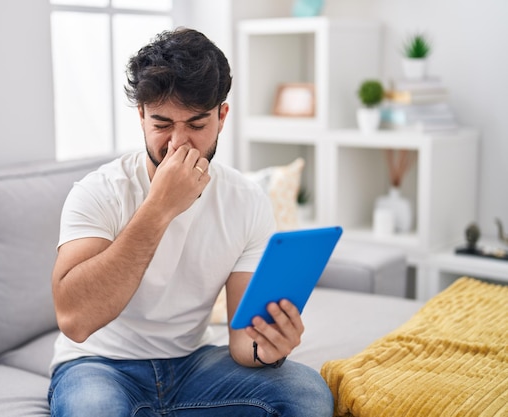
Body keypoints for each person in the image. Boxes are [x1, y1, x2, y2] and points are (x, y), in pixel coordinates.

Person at [48, 27, 334, 416]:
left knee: (307, 394)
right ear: (141, 116)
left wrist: (267, 349)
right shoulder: (98, 192)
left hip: (192, 364)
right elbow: (75, 320)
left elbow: (242, 343)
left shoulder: (246, 201)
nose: (178, 144)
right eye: (162, 124)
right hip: (98, 364)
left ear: (221, 116)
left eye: (196, 125)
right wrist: (159, 208)